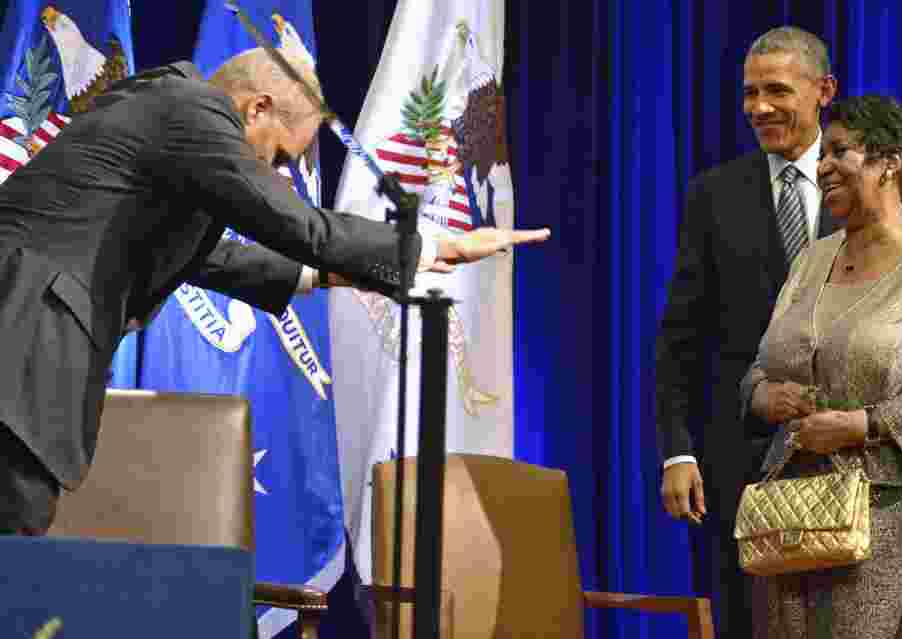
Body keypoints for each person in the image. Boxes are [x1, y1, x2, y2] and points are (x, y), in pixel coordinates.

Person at [0, 48, 549, 535]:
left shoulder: (164, 115)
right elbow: (298, 226)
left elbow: (209, 256)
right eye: (283, 156)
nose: (280, 173)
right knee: (13, 551)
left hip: (21, 339)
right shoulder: (193, 109)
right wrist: (431, 248)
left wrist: (324, 275)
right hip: (22, 340)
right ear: (256, 108)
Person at [741, 94, 902, 638]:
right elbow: (759, 371)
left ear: (889, 162)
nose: (822, 166)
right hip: (794, 508)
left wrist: (863, 425)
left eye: (840, 151)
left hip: (897, 505)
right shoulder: (813, 259)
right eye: (822, 154)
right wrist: (765, 397)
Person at [655, 26, 838, 638]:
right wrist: (679, 449)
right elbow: (681, 334)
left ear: (824, 91)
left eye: (777, 91)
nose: (759, 108)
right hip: (737, 459)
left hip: (842, 452)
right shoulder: (713, 194)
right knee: (740, 621)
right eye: (750, 93)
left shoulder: (865, 188)